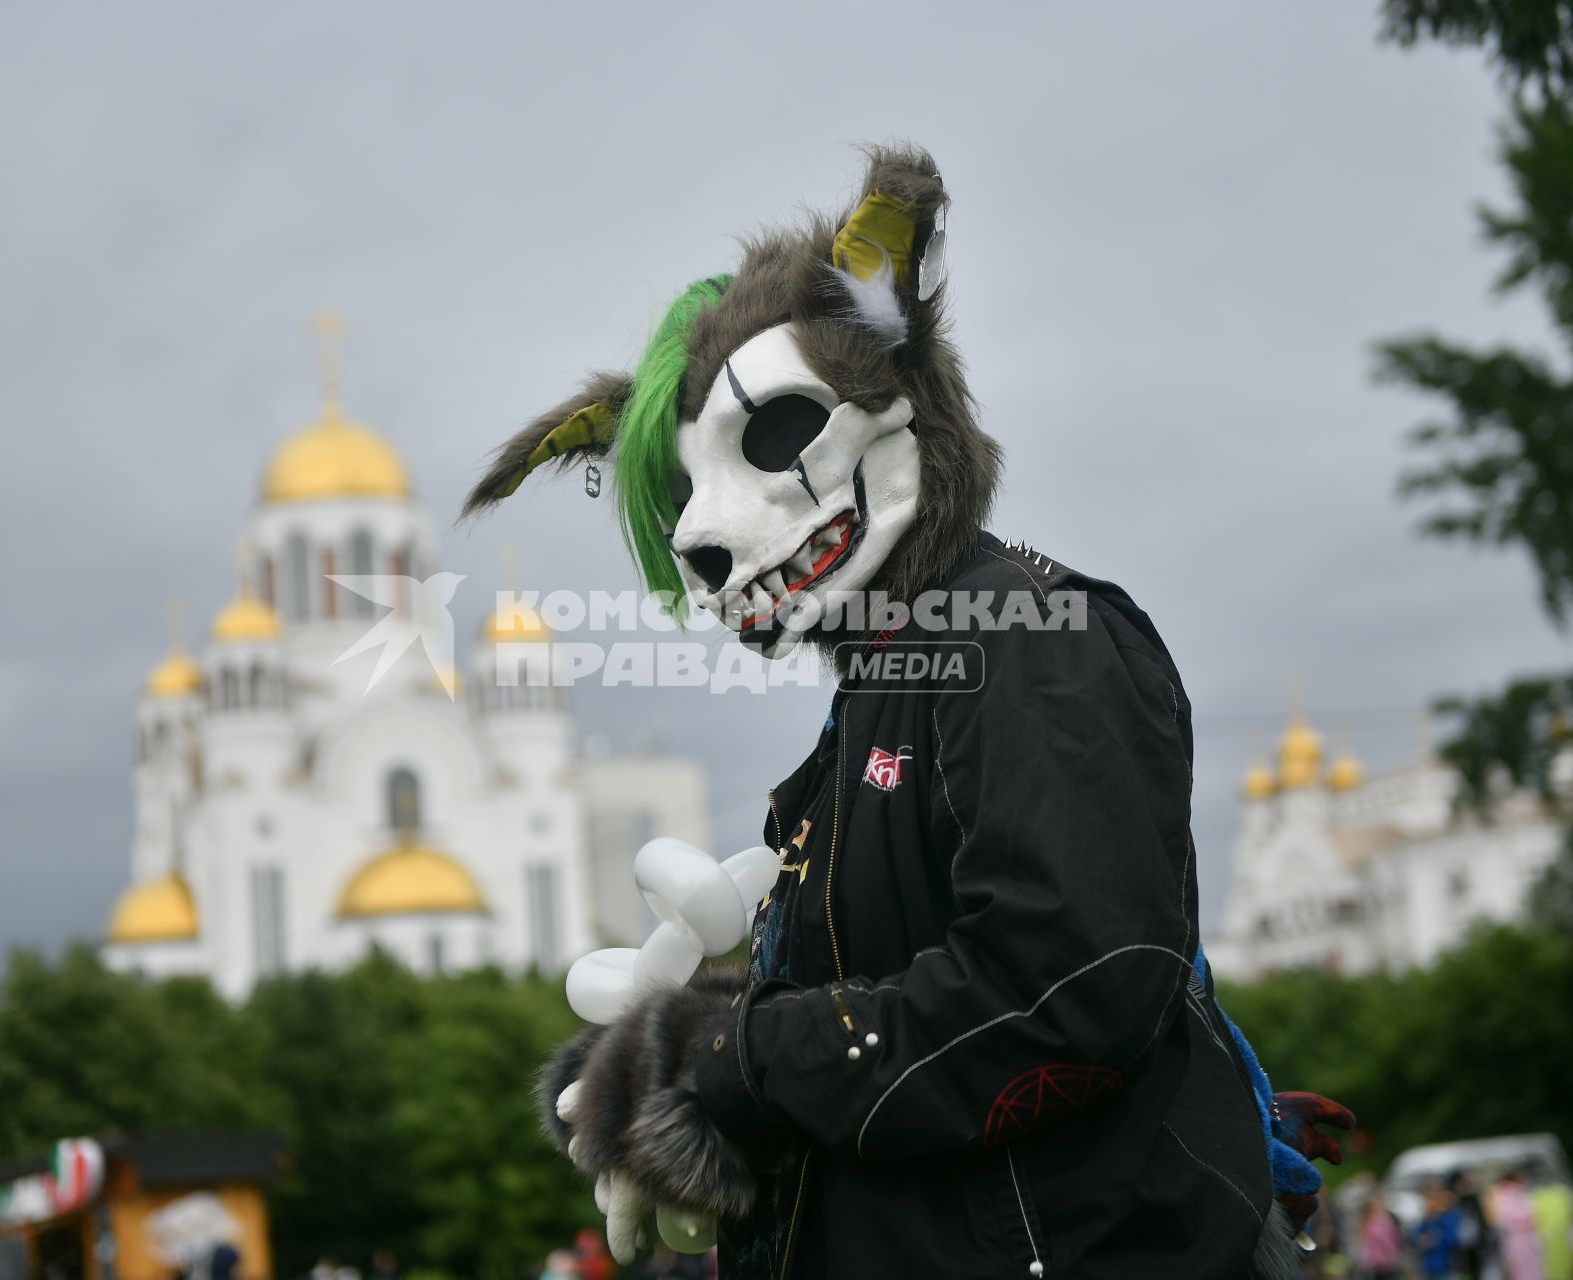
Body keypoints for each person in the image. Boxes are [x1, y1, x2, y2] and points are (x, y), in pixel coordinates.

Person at [475, 144, 1352, 1280]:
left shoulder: (1035, 637)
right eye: (684, 489)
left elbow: (1068, 979)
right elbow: (902, 1003)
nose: (699, 531)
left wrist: (738, 1060)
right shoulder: (896, 681)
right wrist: (674, 1063)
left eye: (776, 434)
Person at [1491, 1169, 1546, 1280]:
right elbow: (1503, 1220)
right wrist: (1525, 1222)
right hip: (1514, 1238)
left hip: (1526, 1237)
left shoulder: (1521, 1194)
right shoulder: (1502, 1195)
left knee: (1531, 1266)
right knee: (1519, 1267)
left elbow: (1533, 1214)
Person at [1413, 1184, 1466, 1280]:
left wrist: (1435, 1239)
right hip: (1428, 1266)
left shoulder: (1447, 1218)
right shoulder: (1426, 1220)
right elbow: (1414, 1237)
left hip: (1445, 1264)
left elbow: (1453, 1240)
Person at [1353, 1187, 1403, 1280]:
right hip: (1372, 1264)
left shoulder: (1390, 1218)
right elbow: (1361, 1241)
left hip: (1388, 1263)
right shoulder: (1366, 1220)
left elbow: (1396, 1239)